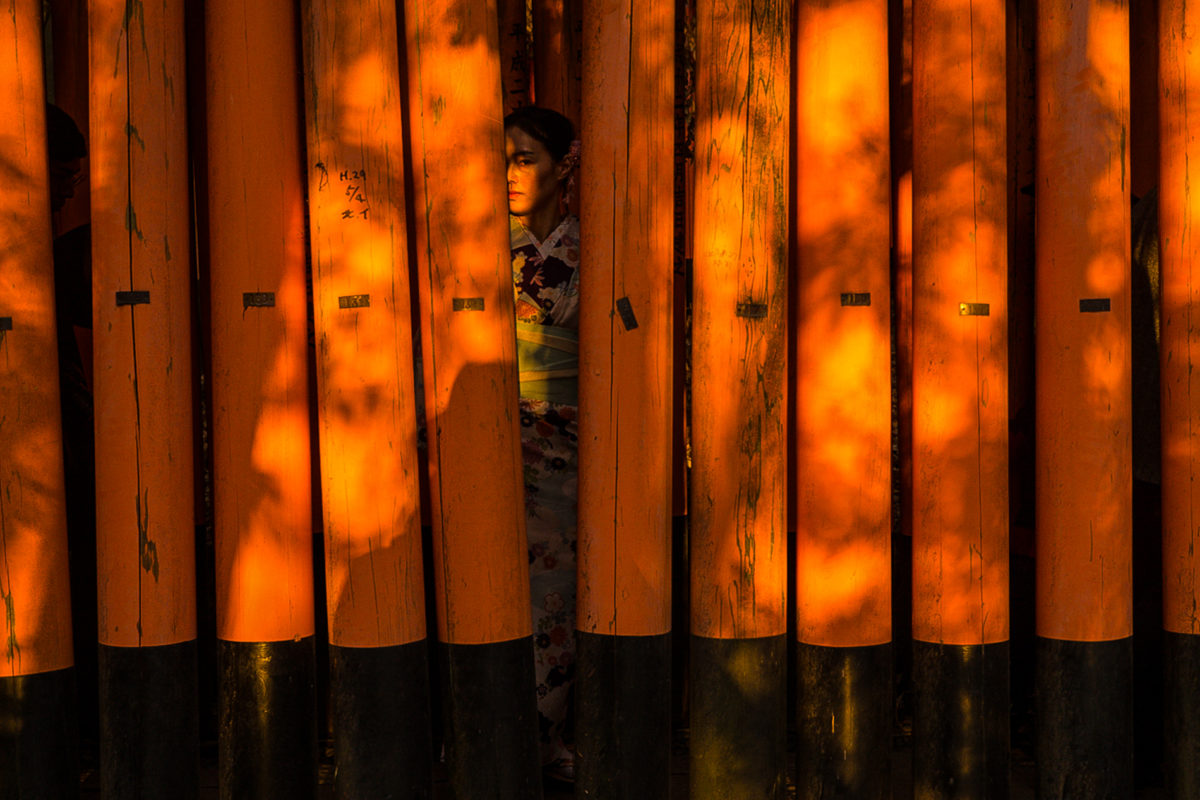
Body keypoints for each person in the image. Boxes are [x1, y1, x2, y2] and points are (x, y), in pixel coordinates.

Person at [505, 105, 580, 784]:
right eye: (504, 159)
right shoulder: (480, 245)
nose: (510, 173)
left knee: (556, 597)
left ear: (565, 167)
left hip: (565, 442)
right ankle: (490, 730)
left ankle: (544, 737)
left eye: (526, 158)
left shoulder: (590, 246)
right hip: (494, 436)